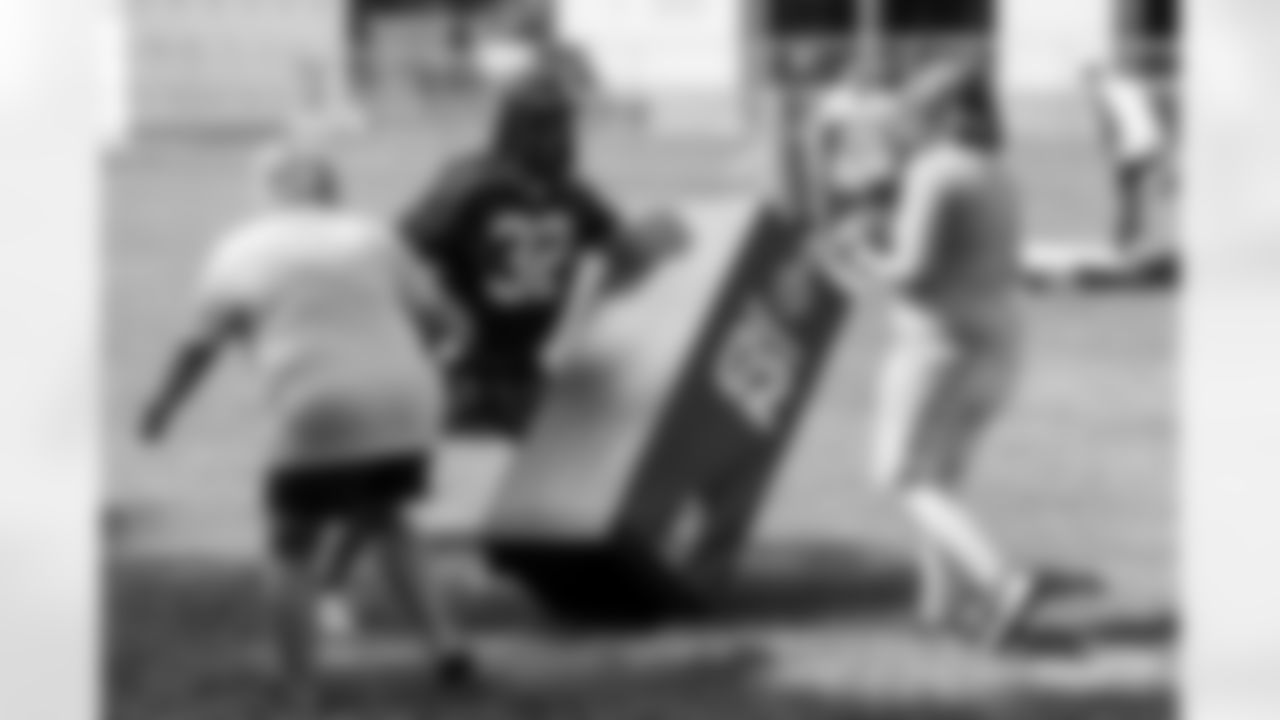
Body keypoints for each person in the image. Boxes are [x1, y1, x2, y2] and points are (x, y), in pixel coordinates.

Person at [138, 138, 477, 710]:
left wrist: (163, 407)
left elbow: (199, 346)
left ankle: (300, 690)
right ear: (331, 189)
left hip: (318, 405)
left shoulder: (240, 248)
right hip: (406, 400)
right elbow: (448, 325)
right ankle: (447, 649)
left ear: (266, 191)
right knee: (388, 517)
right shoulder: (373, 235)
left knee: (291, 543)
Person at [853, 58, 1038, 646]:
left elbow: (913, 274)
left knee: (902, 476)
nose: (913, 121)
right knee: (941, 479)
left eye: (922, 110)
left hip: (940, 348)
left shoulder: (935, 170)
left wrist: (861, 252)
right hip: (1000, 342)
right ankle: (940, 604)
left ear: (946, 113)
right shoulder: (997, 168)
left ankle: (1000, 582)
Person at [400, 74, 672, 438]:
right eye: (552, 128)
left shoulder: (474, 180)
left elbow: (400, 250)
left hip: (514, 373)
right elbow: (629, 257)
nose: (557, 139)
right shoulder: (568, 192)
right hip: (483, 374)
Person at [1085, 55, 1167, 257]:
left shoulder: (1103, 93)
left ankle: (1125, 240)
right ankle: (1133, 237)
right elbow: (1150, 111)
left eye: (1088, 81)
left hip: (1132, 148)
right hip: (1149, 143)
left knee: (1128, 194)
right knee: (1134, 194)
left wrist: (1110, 151)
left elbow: (1109, 125)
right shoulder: (1128, 86)